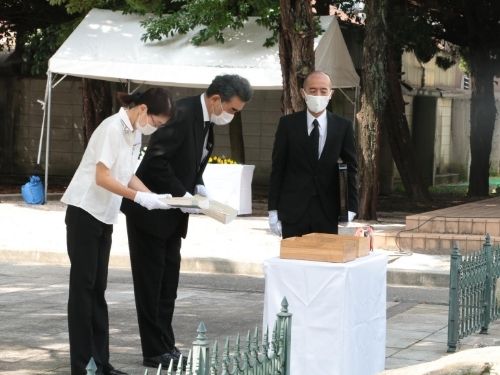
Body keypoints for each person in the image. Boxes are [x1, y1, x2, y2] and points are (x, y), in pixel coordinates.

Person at [120, 74, 253, 369]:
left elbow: (191, 161)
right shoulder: (182, 113)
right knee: (151, 285)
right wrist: (185, 194)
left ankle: (166, 345)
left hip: (173, 215)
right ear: (216, 99)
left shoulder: (205, 121)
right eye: (232, 109)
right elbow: (156, 160)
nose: (232, 116)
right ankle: (154, 350)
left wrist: (199, 185)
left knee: (168, 285)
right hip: (151, 212)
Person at [61, 88, 176, 375]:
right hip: (84, 213)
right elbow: (102, 177)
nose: (154, 128)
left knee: (98, 292)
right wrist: (138, 199)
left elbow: (126, 173)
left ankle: (101, 364)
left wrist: (156, 197)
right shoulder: (112, 128)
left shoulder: (134, 132)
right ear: (143, 110)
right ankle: (81, 366)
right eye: (156, 122)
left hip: (104, 217)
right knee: (83, 292)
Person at [268, 71, 358, 239]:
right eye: (313, 90)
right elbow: (278, 168)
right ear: (303, 93)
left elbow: (351, 168)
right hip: (292, 211)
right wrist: (273, 209)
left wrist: (351, 207)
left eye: (323, 91)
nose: (318, 95)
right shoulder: (287, 125)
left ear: (331, 94)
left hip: (327, 210)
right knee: (293, 262)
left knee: (324, 262)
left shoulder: (343, 126)